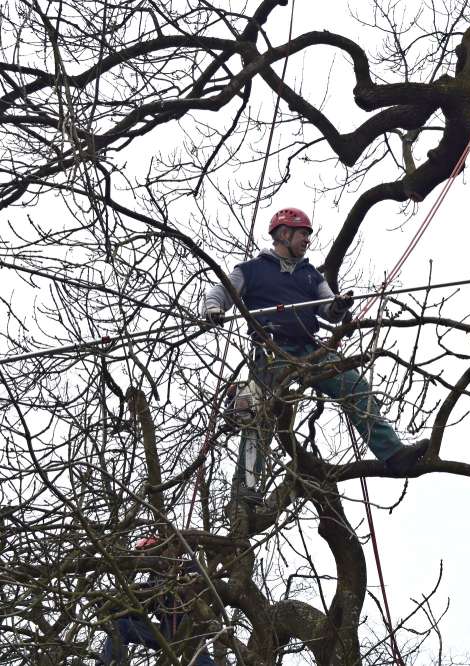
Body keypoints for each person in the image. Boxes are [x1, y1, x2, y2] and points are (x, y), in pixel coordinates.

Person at [203, 207, 428, 494]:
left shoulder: (309, 274)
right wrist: (213, 309)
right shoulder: (250, 270)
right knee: (260, 414)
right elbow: (220, 292)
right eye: (302, 235)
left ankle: (394, 455)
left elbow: (327, 306)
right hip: (272, 351)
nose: (307, 240)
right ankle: (245, 490)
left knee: (355, 386)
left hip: (310, 349)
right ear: (283, 234)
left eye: (308, 236)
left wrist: (338, 306)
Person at [96, 537, 214, 666]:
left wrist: (182, 583)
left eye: (145, 552)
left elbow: (202, 587)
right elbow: (139, 606)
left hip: (188, 627)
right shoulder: (154, 579)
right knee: (122, 625)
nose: (143, 557)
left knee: (199, 658)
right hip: (165, 631)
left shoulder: (185, 564)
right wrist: (113, 605)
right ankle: (109, 663)